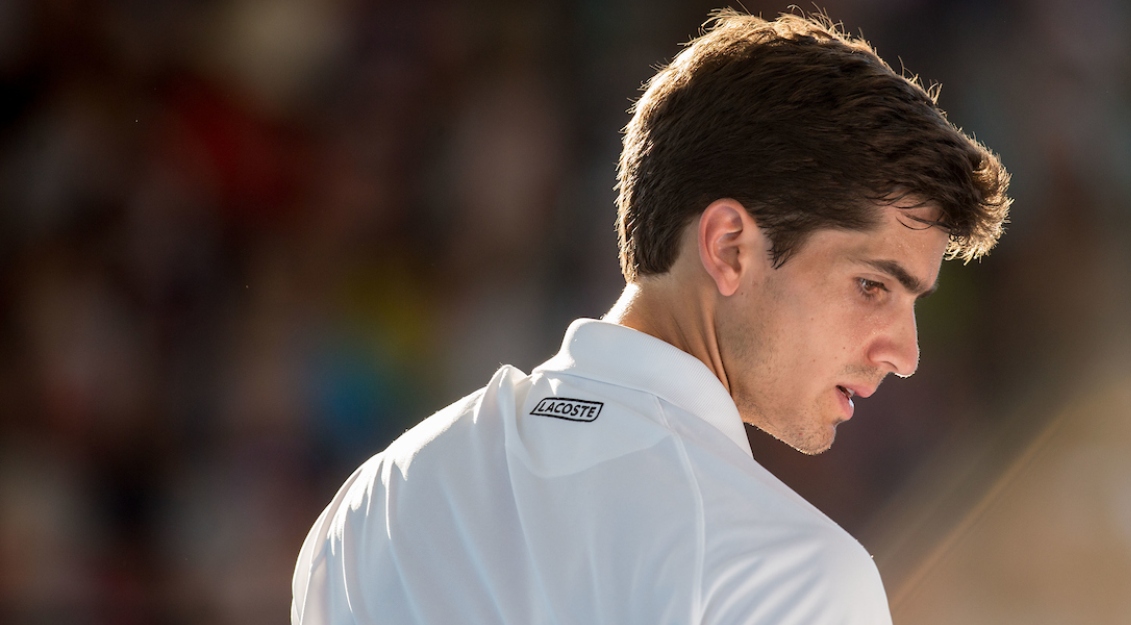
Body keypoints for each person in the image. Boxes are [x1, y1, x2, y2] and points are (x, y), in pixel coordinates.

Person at [291, 8, 1010, 625]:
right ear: (729, 246)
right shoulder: (793, 580)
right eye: (872, 286)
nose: (905, 352)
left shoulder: (368, 508)